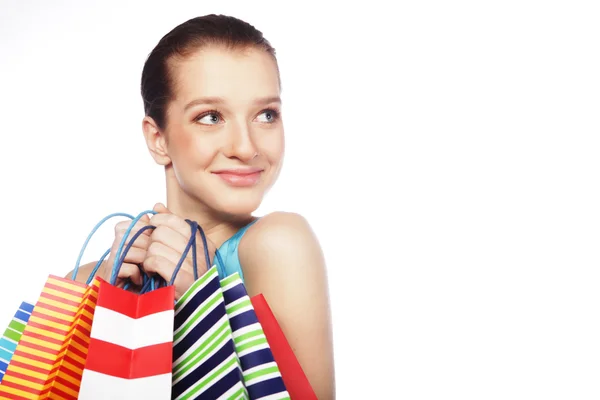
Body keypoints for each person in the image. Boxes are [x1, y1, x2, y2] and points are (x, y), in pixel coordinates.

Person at [66, 14, 335, 399]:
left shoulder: (277, 244)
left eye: (266, 114)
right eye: (211, 117)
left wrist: (206, 303)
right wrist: (101, 309)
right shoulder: (90, 278)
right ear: (157, 138)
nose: (246, 147)